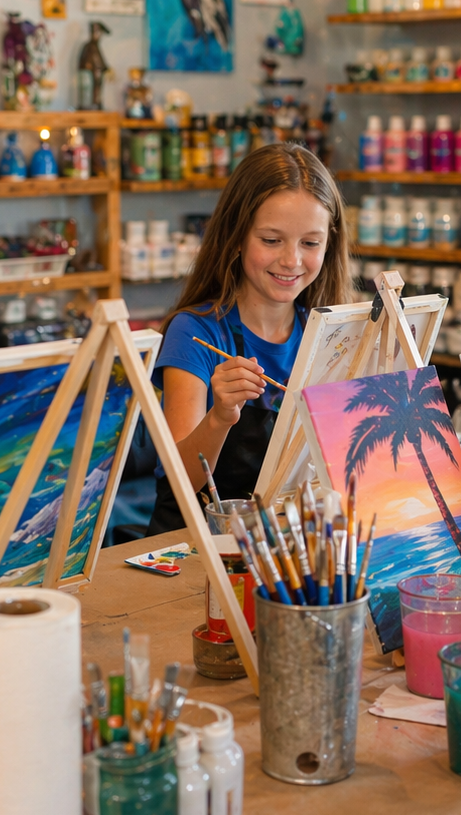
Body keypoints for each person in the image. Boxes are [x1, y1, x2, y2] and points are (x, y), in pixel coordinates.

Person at [146, 144, 352, 534]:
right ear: (237, 237)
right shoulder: (195, 332)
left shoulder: (332, 336)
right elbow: (179, 481)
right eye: (271, 240)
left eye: (310, 243)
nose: (291, 260)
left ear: (329, 242)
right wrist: (220, 417)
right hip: (196, 552)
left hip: (288, 551)